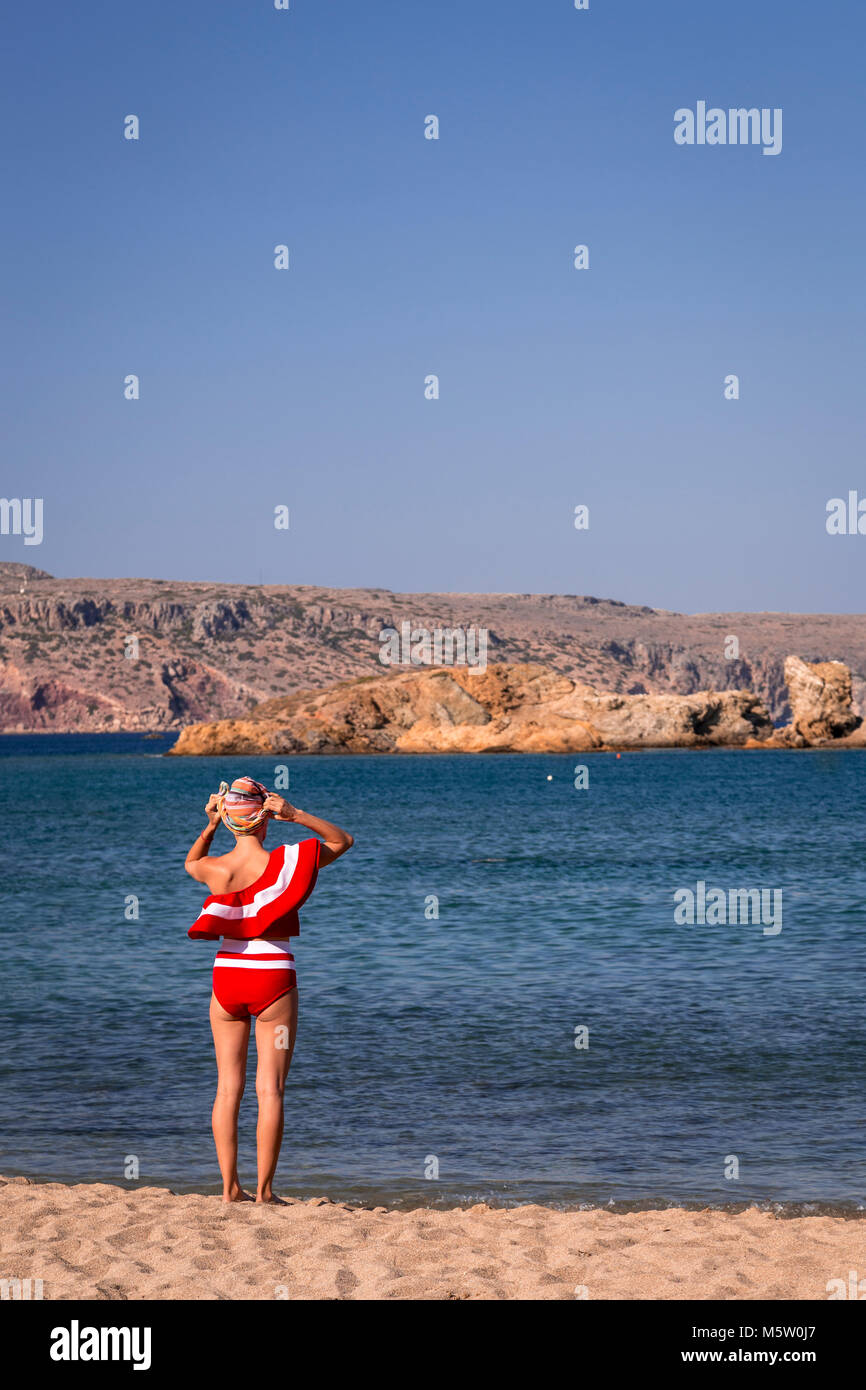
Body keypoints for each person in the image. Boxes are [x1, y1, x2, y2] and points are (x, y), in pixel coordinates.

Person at [184, 776, 353, 1203]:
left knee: (227, 1088)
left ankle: (228, 1190)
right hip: (273, 976)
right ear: (265, 817)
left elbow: (191, 863)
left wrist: (210, 825)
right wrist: (294, 814)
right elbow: (342, 840)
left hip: (227, 978)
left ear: (229, 819)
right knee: (270, 1088)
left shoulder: (215, 869)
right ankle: (264, 1192)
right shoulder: (287, 862)